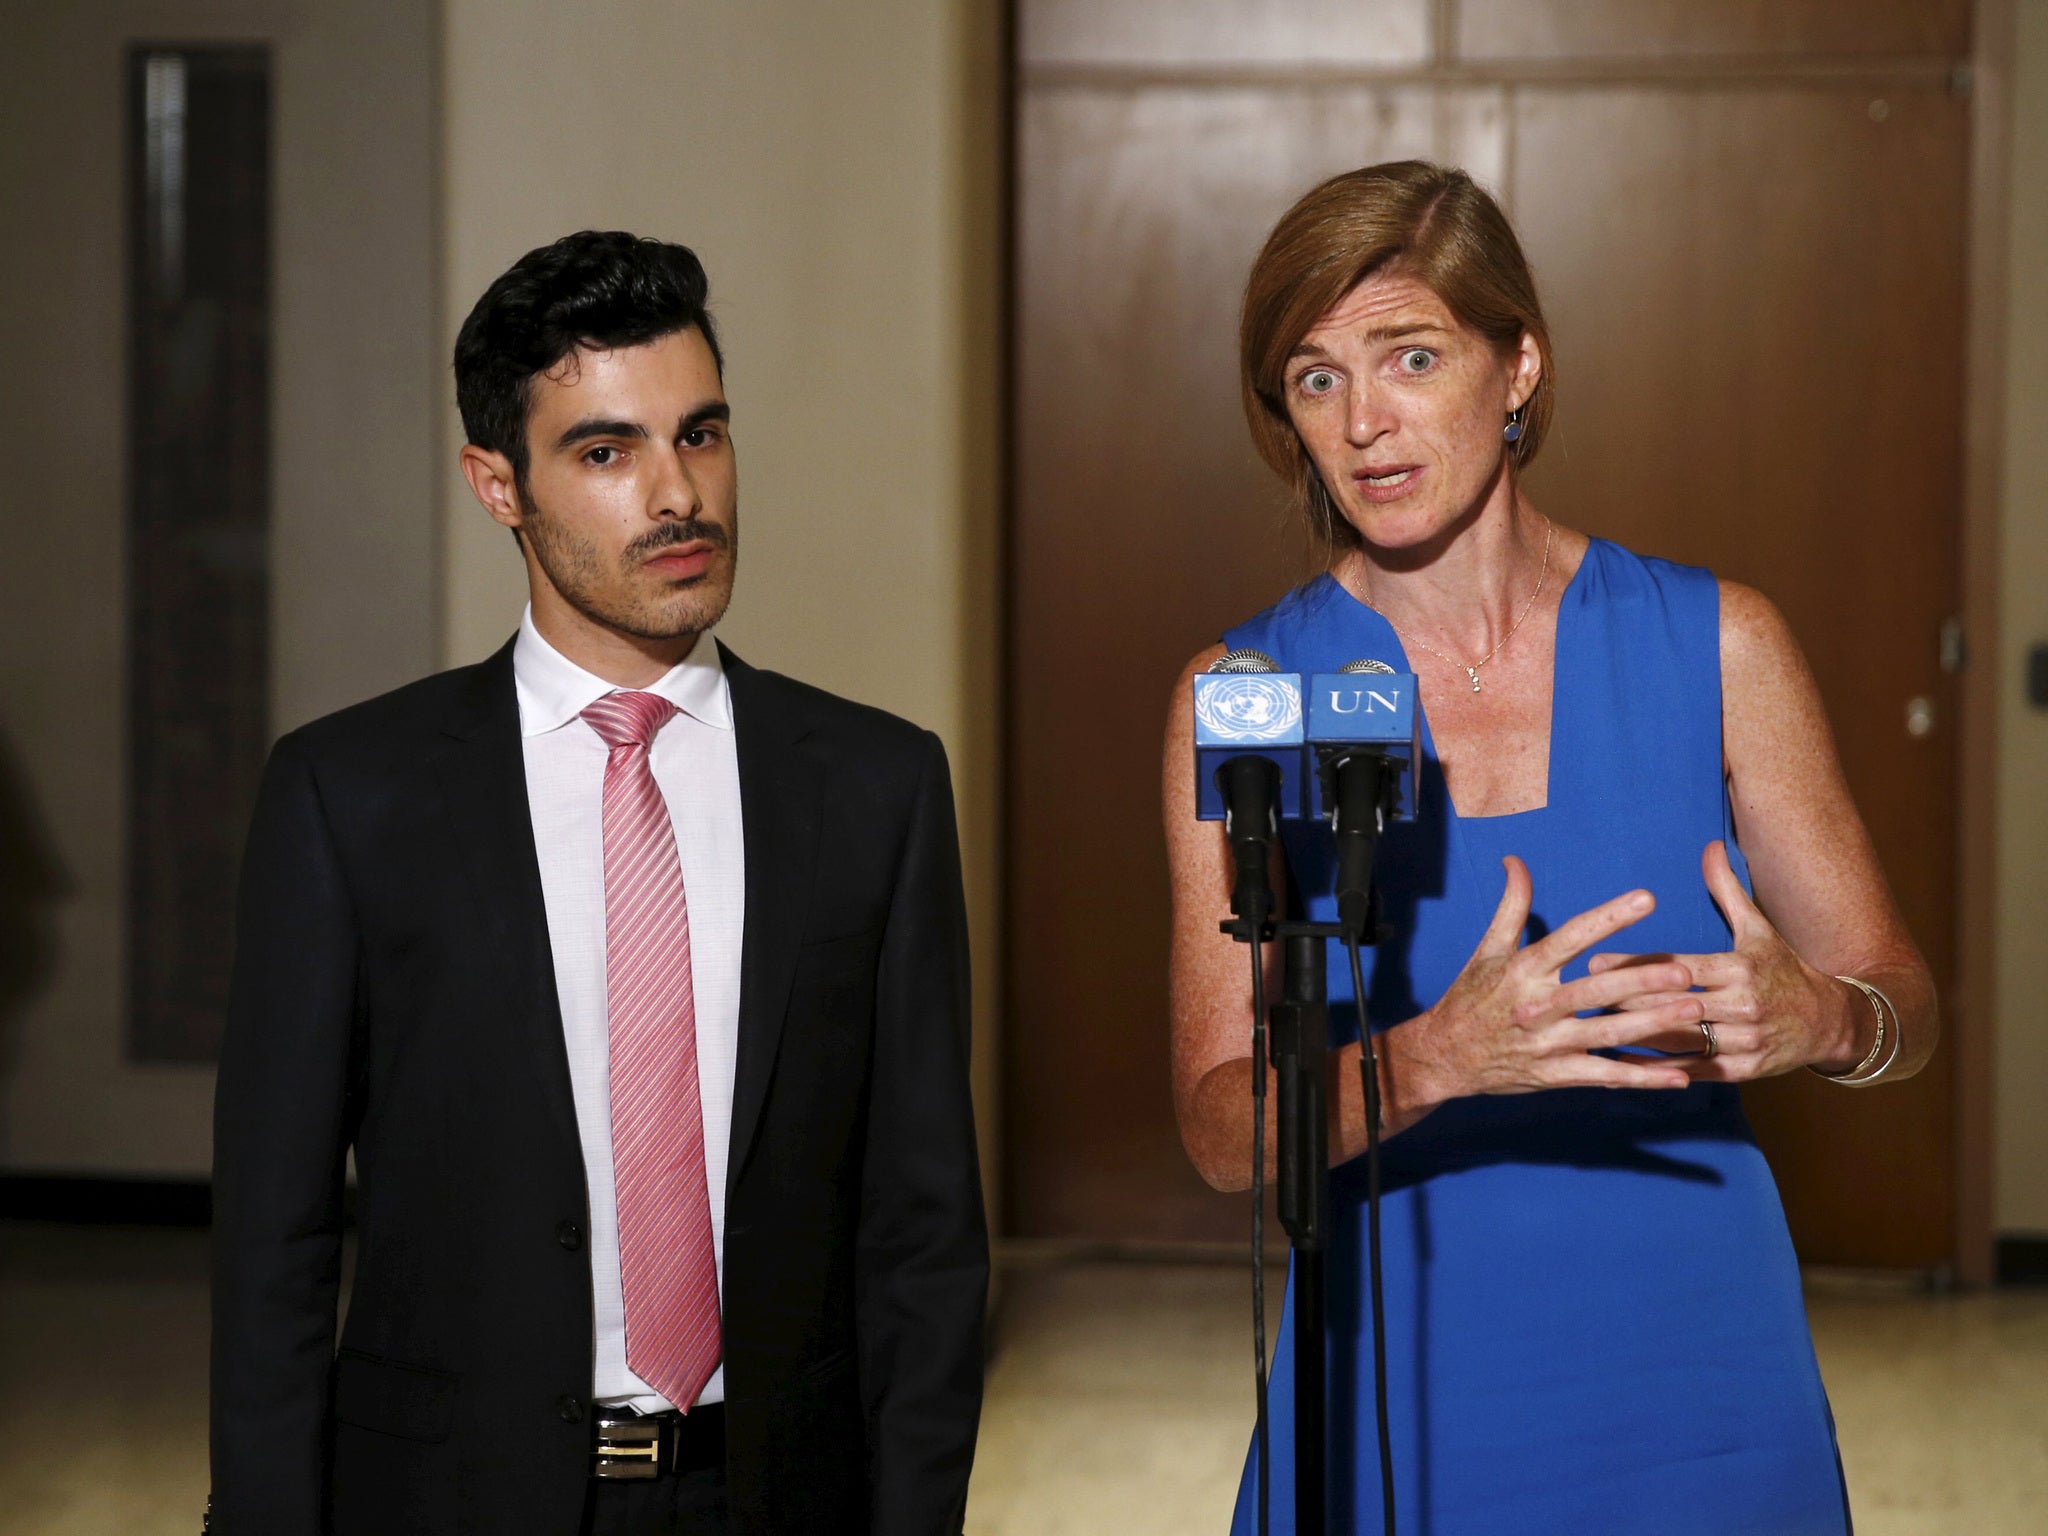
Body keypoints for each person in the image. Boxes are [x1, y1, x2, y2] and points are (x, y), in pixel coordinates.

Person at [1164, 163, 1935, 1534]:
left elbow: (1903, 1005)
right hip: (1396, 1379)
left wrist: (1824, 1016)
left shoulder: (1720, 644)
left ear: (1519, 366)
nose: (1367, 424)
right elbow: (1225, 1129)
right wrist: (1437, 1059)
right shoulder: (1249, 694)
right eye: (1315, 378)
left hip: (1704, 1373)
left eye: (1411, 357)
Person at [209, 231, 988, 1536]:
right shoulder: (350, 798)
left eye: (703, 434)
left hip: (779, 1496)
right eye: (607, 451)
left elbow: (923, 1239)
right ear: (496, 483)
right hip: (449, 1499)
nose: (678, 495)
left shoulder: (876, 789)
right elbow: (273, 1248)